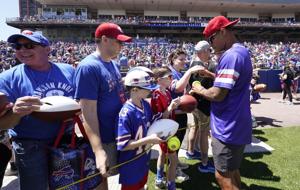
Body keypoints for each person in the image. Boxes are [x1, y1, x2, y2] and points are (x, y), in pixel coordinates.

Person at [0, 30, 75, 189]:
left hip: (67, 141)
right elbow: (2, 125)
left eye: (29, 45)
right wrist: (16, 112)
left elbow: (82, 102)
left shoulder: (68, 70)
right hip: (30, 145)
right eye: (17, 46)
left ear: (47, 49)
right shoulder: (7, 78)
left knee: (69, 186)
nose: (22, 50)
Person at [191, 16, 252, 190]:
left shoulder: (230, 56)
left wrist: (198, 88)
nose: (211, 45)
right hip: (237, 121)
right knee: (232, 170)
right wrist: (212, 76)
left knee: (222, 175)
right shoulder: (241, 51)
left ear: (223, 31)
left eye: (211, 38)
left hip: (228, 125)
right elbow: (233, 83)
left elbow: (218, 94)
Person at [74, 23, 132, 190]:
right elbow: (88, 112)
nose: (122, 45)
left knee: (108, 176)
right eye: (119, 41)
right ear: (105, 40)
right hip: (103, 137)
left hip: (115, 133)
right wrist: (98, 150)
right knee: (99, 180)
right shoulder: (88, 67)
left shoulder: (112, 63)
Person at [116, 68, 163, 190]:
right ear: (135, 89)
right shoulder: (126, 113)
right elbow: (123, 144)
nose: (150, 91)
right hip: (130, 163)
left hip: (143, 158)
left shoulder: (145, 104)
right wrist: (148, 140)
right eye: (147, 89)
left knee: (142, 185)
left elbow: (151, 123)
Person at [167, 49, 204, 181]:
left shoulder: (178, 72)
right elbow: (176, 88)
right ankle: (173, 169)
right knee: (173, 143)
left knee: (179, 139)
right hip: (172, 114)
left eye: (185, 59)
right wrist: (189, 71)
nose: (184, 62)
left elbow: (183, 91)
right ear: (173, 60)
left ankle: (175, 163)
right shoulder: (169, 72)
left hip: (180, 112)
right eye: (181, 59)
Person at [186, 40, 216, 173]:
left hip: (195, 102)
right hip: (203, 103)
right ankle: (204, 163)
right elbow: (201, 87)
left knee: (195, 127)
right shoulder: (201, 66)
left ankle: (191, 151)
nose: (210, 53)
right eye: (208, 50)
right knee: (204, 132)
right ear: (203, 51)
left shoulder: (194, 63)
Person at [151, 67, 180, 190]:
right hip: (164, 131)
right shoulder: (156, 95)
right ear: (159, 80)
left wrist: (177, 106)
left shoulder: (167, 92)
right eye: (169, 77)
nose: (171, 79)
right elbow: (159, 118)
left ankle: (159, 177)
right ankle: (171, 185)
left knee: (163, 153)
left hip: (169, 128)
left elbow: (169, 112)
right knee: (174, 161)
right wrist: (170, 107)